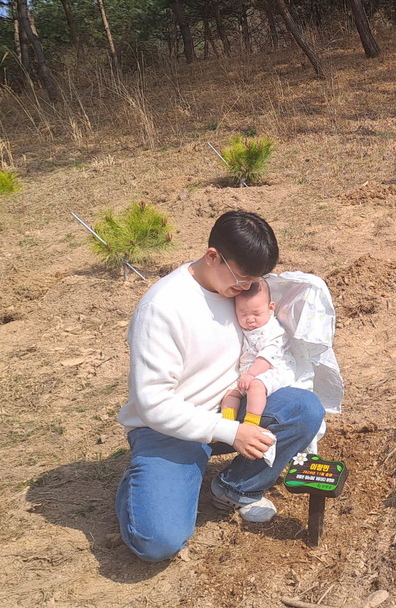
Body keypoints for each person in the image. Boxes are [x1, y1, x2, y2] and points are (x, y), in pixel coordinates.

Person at [115, 211, 325, 563]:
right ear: (213, 256)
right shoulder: (162, 308)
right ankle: (142, 482)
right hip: (168, 429)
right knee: (157, 541)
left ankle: (235, 487)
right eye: (242, 280)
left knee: (304, 409)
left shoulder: (233, 288)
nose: (246, 290)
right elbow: (153, 404)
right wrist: (231, 431)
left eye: (254, 281)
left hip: (230, 408)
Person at [220, 277, 296, 429]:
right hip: (247, 375)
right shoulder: (244, 330)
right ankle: (227, 425)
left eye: (256, 313)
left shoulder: (273, 331)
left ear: (270, 308)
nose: (250, 319)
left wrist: (251, 374)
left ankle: (251, 423)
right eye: (243, 314)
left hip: (272, 371)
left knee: (256, 386)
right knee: (230, 394)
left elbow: (267, 358)